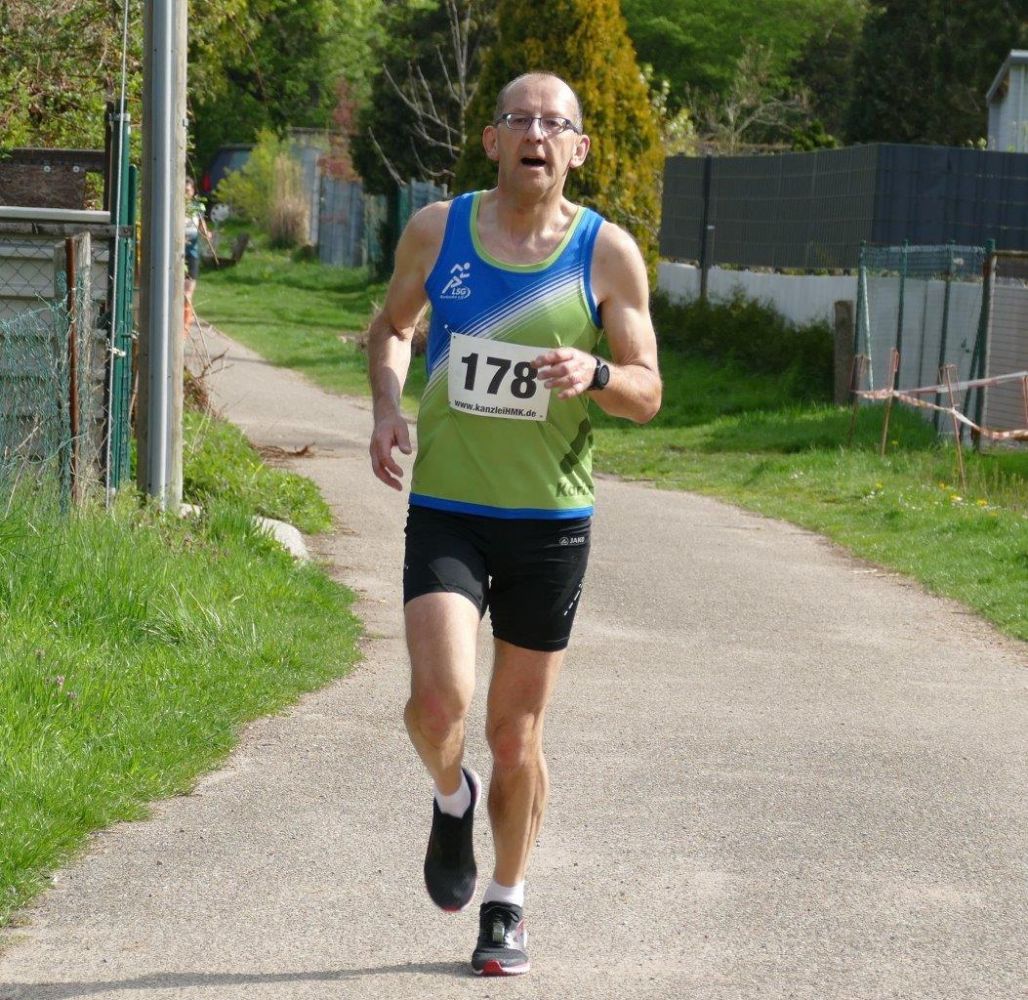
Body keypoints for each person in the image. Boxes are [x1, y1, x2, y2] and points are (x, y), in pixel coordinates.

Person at [367, 71, 661, 977]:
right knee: (437, 704)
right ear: (492, 140)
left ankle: (506, 900)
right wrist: (386, 407)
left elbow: (647, 391)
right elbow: (392, 327)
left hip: (549, 522)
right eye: (520, 120)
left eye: (556, 123)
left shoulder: (606, 254)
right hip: (449, 509)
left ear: (578, 149)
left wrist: (597, 375)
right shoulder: (438, 230)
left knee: (515, 734)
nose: (538, 133)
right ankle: (450, 796)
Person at [183, 176, 212, 333]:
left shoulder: (197, 208)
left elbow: (202, 227)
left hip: (191, 254)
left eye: (187, 191)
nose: (185, 194)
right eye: (182, 190)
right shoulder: (174, 206)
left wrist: (206, 234)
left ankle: (184, 329)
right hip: (176, 255)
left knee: (187, 293)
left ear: (193, 192)